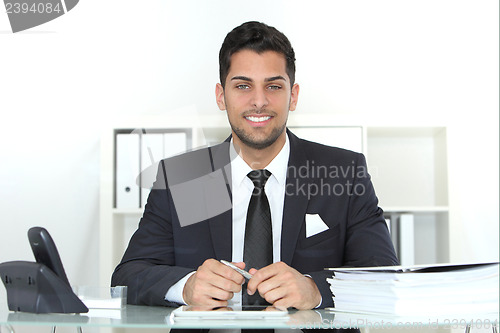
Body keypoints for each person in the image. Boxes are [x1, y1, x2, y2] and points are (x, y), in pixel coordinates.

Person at [112, 20, 398, 319]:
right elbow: (129, 275)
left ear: (294, 95)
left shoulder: (341, 171)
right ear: (221, 96)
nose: (259, 101)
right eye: (243, 86)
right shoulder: (187, 178)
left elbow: (383, 275)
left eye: (274, 86)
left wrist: (315, 290)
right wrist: (186, 286)